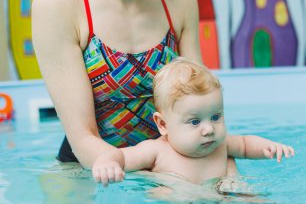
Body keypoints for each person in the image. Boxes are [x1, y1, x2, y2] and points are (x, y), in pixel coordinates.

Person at [32, 0, 202, 183]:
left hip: (170, 164)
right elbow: (83, 138)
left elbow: (202, 106)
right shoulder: (58, 4)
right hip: (91, 171)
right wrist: (172, 181)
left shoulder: (179, 0)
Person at [93, 58, 295, 186]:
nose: (208, 129)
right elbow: (121, 156)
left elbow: (244, 144)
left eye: (216, 117)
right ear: (163, 125)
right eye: (195, 122)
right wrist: (107, 163)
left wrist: (269, 147)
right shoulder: (156, 151)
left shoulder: (221, 145)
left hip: (223, 199)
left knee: (254, 199)